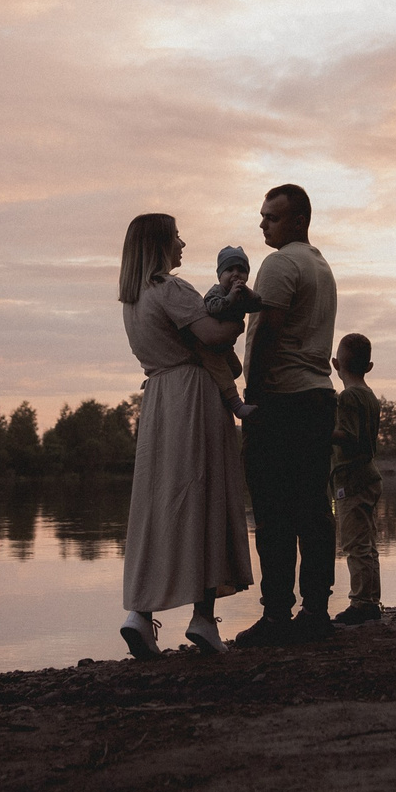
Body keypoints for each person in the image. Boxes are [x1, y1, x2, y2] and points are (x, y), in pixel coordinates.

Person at [115, 212, 254, 658]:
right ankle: (202, 619)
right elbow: (213, 335)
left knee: (157, 504)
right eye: (176, 236)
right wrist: (243, 320)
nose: (183, 243)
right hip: (193, 397)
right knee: (205, 499)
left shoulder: (133, 301)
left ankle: (139, 612)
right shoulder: (171, 289)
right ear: (158, 245)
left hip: (157, 402)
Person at [232, 183, 340, 646]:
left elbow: (267, 336)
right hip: (318, 399)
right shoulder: (320, 264)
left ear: (298, 220)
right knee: (314, 508)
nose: (262, 224)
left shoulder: (280, 264)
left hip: (283, 401)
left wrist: (251, 401)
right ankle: (316, 610)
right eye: (262, 216)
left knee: (274, 513)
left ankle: (277, 616)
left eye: (271, 217)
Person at [329, 333, 384, 626]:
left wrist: (319, 430)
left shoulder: (348, 397)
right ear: (369, 366)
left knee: (354, 545)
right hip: (368, 477)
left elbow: (349, 437)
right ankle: (370, 600)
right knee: (367, 543)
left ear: (335, 363)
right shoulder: (370, 395)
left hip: (352, 480)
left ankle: (362, 603)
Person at [197, 245, 264, 421]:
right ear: (220, 275)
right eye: (229, 269)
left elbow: (257, 305)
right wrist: (230, 298)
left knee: (235, 369)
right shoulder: (216, 291)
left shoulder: (243, 294)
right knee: (223, 372)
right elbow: (212, 308)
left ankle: (218, 390)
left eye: (241, 270)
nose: (235, 274)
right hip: (210, 347)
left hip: (226, 346)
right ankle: (236, 405)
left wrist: (247, 292)